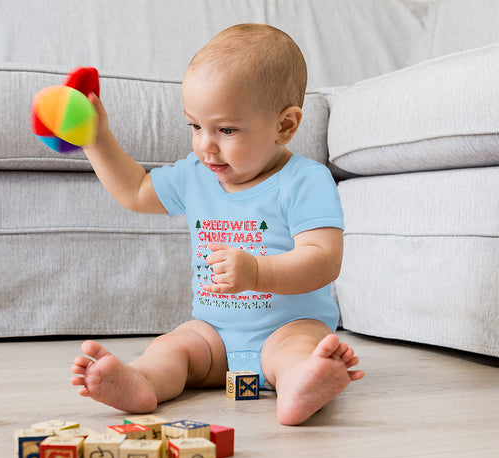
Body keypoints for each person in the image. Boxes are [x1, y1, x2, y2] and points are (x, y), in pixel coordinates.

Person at [70, 23, 364, 425]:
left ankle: (300, 382)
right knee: (174, 347)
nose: (205, 145)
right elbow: (137, 190)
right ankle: (142, 381)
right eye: (195, 126)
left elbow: (325, 259)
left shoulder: (304, 179)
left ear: (285, 125)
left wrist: (257, 271)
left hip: (290, 327)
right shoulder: (196, 175)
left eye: (226, 130)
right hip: (214, 333)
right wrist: (96, 139)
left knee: (295, 352)